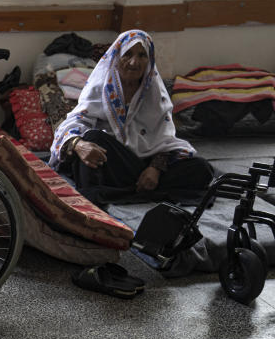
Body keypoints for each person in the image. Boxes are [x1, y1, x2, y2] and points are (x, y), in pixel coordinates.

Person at [48, 29, 214, 206]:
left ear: (149, 60)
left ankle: (120, 193)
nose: (134, 62)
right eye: (127, 54)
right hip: (110, 163)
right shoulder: (101, 89)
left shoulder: (155, 95)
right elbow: (74, 123)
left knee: (201, 169)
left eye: (142, 55)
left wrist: (155, 168)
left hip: (141, 165)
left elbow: (165, 140)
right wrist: (78, 145)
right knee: (93, 138)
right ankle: (132, 192)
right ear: (116, 57)